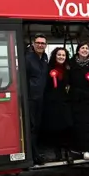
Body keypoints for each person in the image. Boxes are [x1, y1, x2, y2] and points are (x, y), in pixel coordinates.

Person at [41, 47, 73, 162]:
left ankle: (68, 151)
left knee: (68, 127)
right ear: (55, 56)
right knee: (55, 128)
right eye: (59, 55)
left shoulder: (68, 69)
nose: (61, 57)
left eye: (63, 55)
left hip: (65, 102)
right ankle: (57, 151)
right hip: (52, 103)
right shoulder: (48, 69)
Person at [25, 33, 49, 164]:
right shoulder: (28, 58)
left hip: (42, 98)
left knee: (38, 126)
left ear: (46, 45)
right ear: (33, 44)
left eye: (43, 43)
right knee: (32, 127)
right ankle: (34, 156)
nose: (40, 45)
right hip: (31, 99)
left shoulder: (45, 58)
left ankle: (37, 151)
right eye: (38, 43)